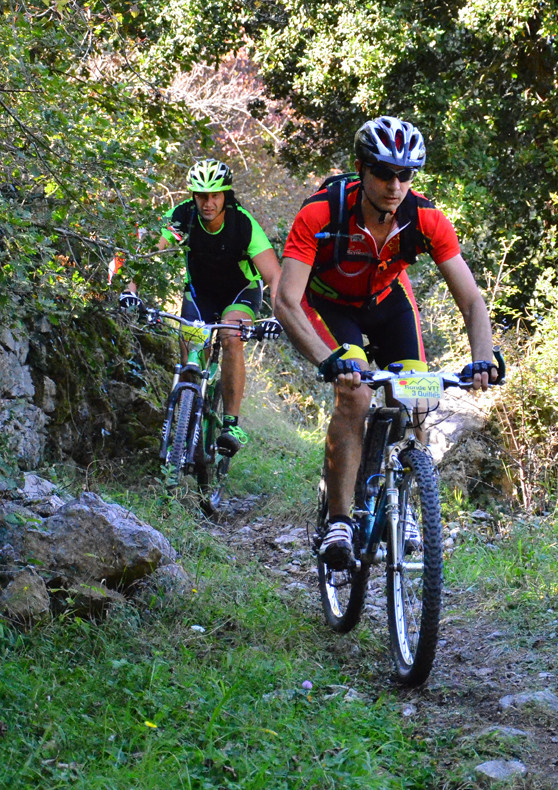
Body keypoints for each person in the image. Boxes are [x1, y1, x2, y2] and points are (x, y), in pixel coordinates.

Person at [275, 115, 499, 566]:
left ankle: (406, 505)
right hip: (330, 303)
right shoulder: (322, 213)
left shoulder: (427, 219)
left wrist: (483, 358)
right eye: (383, 172)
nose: (394, 185)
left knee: (416, 398)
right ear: (361, 168)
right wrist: (327, 360)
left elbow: (473, 301)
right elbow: (285, 301)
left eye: (404, 175)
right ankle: (339, 520)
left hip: (387, 301)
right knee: (355, 394)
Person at [122, 158, 281, 454]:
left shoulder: (243, 224)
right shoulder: (182, 216)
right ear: (193, 195)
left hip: (240, 292)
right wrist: (130, 290)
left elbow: (275, 276)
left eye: (214, 196)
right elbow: (145, 256)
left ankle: (231, 423)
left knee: (231, 337)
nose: (207, 203)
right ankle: (185, 415)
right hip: (200, 292)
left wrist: (279, 317)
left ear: (225, 196)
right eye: (201, 196)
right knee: (191, 354)